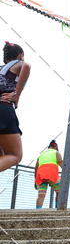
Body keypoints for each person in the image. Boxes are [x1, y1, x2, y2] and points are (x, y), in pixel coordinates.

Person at [0, 41, 31, 175]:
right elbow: (27, 66)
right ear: (20, 55)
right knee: (14, 155)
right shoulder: (18, 63)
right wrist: (17, 94)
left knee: (2, 155)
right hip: (4, 111)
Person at [35, 140, 62, 209]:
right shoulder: (56, 153)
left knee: (41, 195)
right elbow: (63, 166)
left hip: (41, 175)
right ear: (56, 147)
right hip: (52, 175)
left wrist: (35, 180)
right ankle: (57, 208)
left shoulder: (41, 155)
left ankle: (38, 210)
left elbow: (36, 168)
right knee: (60, 192)